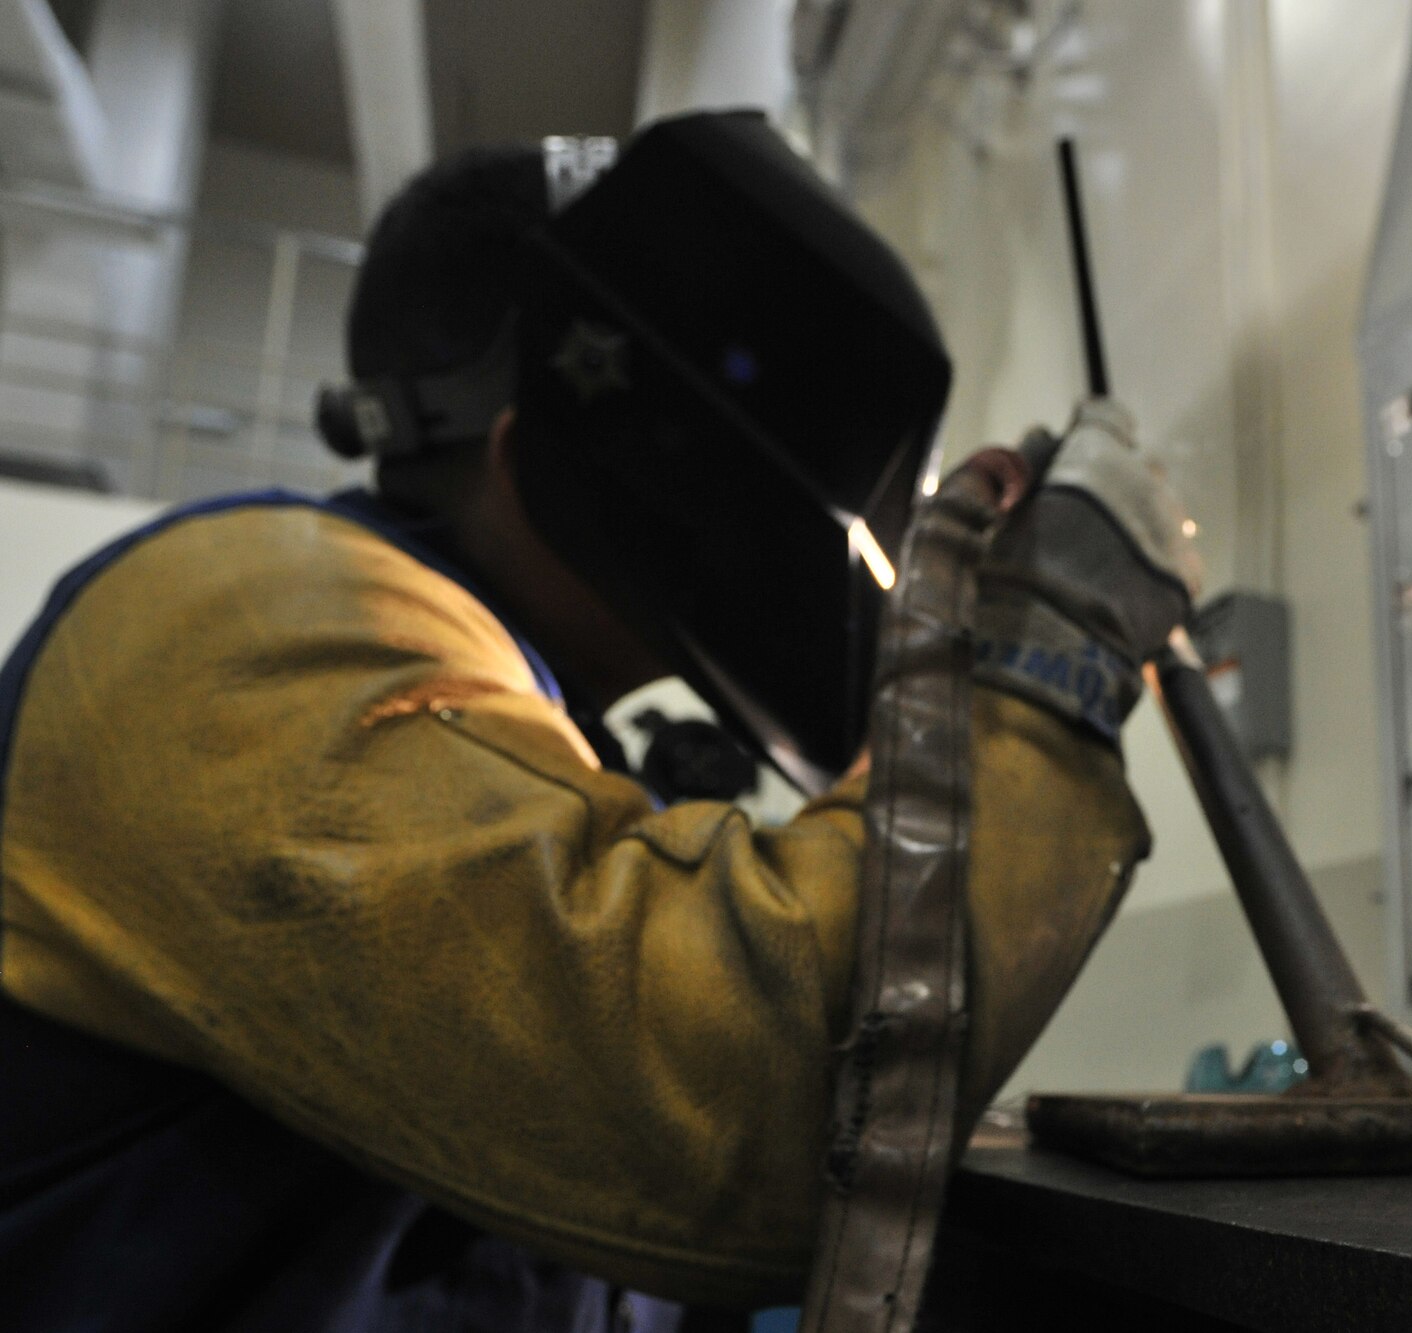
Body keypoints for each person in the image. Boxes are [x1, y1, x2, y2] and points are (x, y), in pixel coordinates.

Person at [0, 112, 1199, 1331]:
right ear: (569, 423)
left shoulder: (529, 716)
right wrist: (1036, 665)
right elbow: (746, 1121)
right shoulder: (245, 625)